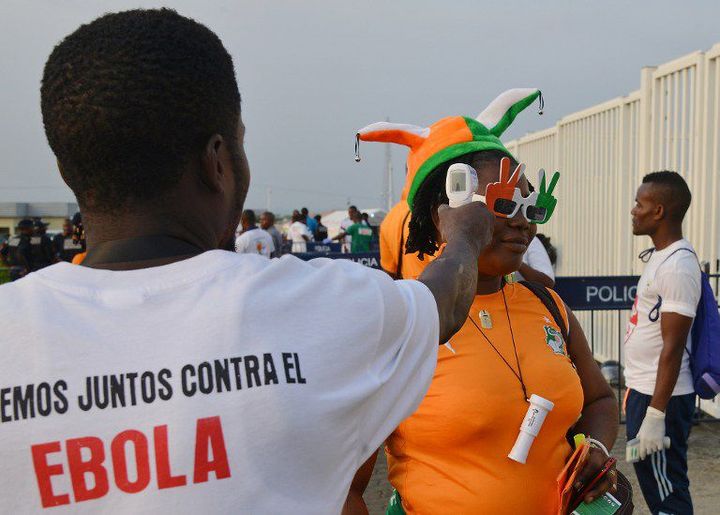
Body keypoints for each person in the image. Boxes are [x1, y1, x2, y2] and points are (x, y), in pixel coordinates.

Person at [0, 11, 494, 511]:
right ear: (217, 161)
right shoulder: (317, 307)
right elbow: (444, 302)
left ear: (66, 171)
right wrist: (464, 235)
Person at [348, 90, 619, 514]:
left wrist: (596, 450)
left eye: (533, 206)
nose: (522, 221)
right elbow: (345, 488)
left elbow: (600, 399)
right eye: (504, 202)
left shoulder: (546, 303)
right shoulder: (399, 325)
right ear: (446, 212)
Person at [625, 171, 700, 515]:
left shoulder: (678, 266)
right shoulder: (660, 256)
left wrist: (655, 414)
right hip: (644, 390)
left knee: (667, 493)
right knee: (657, 488)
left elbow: (673, 346)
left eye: (639, 204)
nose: (633, 210)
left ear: (658, 211)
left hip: (661, 399)